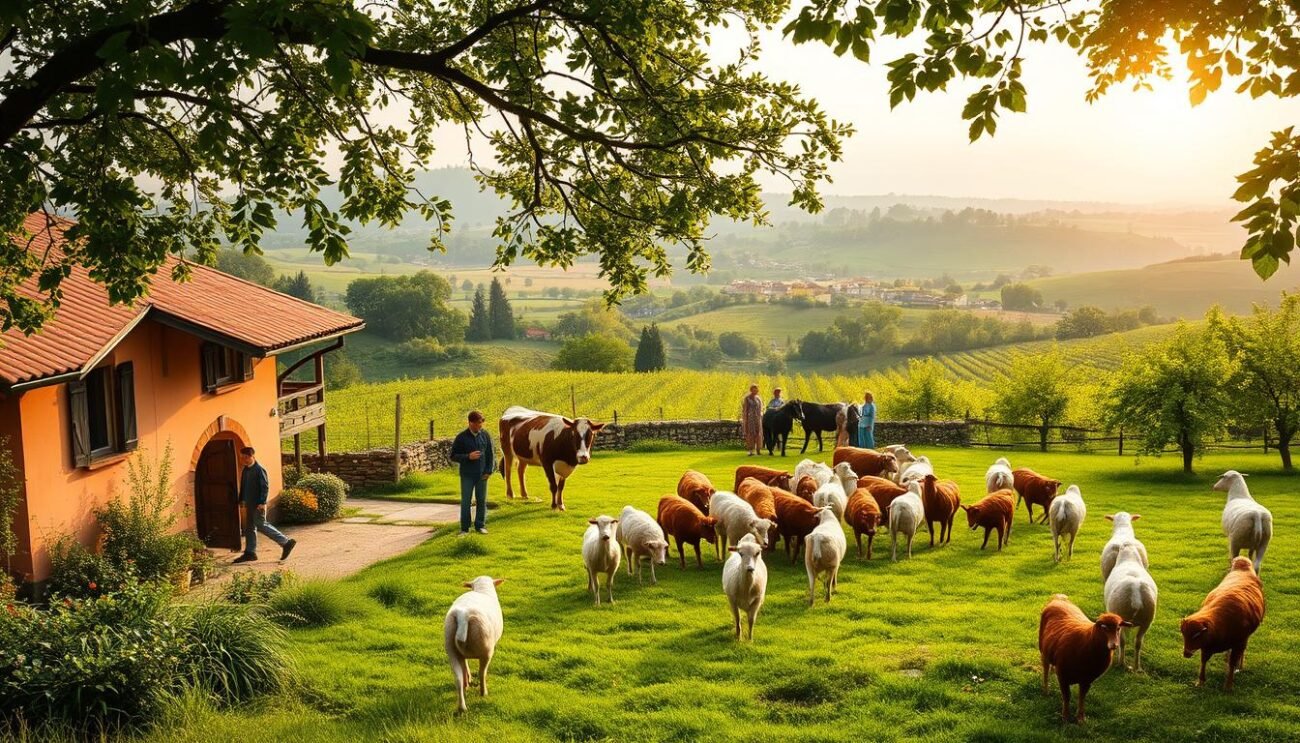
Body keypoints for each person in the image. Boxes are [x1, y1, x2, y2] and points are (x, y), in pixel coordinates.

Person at [232, 447, 296, 564]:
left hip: (258, 504)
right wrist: (242, 500)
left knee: (260, 524)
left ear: (252, 456)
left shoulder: (259, 469)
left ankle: (286, 542)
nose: (244, 460)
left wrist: (262, 502)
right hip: (249, 503)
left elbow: (264, 487)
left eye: (246, 457)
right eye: (242, 457)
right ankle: (250, 553)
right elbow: (243, 486)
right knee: (249, 528)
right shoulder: (246, 470)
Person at [450, 410, 495, 536]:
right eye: (478, 423)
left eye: (481, 423)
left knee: (481, 500)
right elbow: (453, 456)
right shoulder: (461, 437)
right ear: (470, 423)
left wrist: (489, 471)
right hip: (467, 475)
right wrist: (468, 457)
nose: (480, 426)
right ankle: (464, 529)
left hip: (482, 475)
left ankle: (480, 526)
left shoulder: (485, 435)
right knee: (466, 501)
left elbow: (490, 454)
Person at [740, 383, 764, 456]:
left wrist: (760, 416)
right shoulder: (747, 398)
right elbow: (745, 409)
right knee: (750, 433)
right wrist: (745, 419)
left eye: (756, 389)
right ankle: (750, 450)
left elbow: (761, 408)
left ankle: (758, 450)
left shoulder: (758, 398)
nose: (755, 391)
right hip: (750, 418)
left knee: (758, 433)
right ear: (751, 390)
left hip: (757, 418)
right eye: (754, 389)